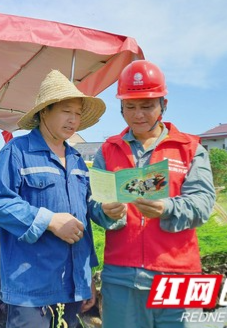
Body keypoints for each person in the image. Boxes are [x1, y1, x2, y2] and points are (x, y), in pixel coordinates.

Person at [0, 70, 123, 328]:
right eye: (66, 111)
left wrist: (108, 212)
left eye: (78, 114)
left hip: (73, 287)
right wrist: (49, 220)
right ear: (44, 111)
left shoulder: (77, 161)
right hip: (31, 288)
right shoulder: (17, 151)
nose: (73, 120)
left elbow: (87, 216)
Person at [92, 60, 216, 328]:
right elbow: (93, 201)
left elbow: (203, 203)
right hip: (121, 276)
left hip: (177, 274)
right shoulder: (107, 151)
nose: (139, 115)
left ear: (163, 105)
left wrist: (167, 208)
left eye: (147, 106)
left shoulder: (190, 149)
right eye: (130, 107)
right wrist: (105, 211)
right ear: (121, 108)